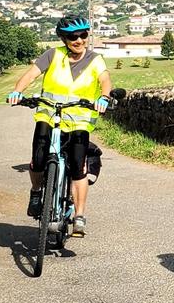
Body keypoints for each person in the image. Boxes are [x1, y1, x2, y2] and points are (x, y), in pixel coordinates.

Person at [7, 15, 113, 237]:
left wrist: (104, 97)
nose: (79, 40)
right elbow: (31, 75)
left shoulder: (96, 60)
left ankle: (80, 216)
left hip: (79, 119)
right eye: (73, 36)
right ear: (63, 39)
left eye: (83, 35)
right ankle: (36, 193)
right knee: (38, 157)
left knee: (77, 165)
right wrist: (18, 91)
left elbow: (105, 80)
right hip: (49, 115)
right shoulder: (53, 55)